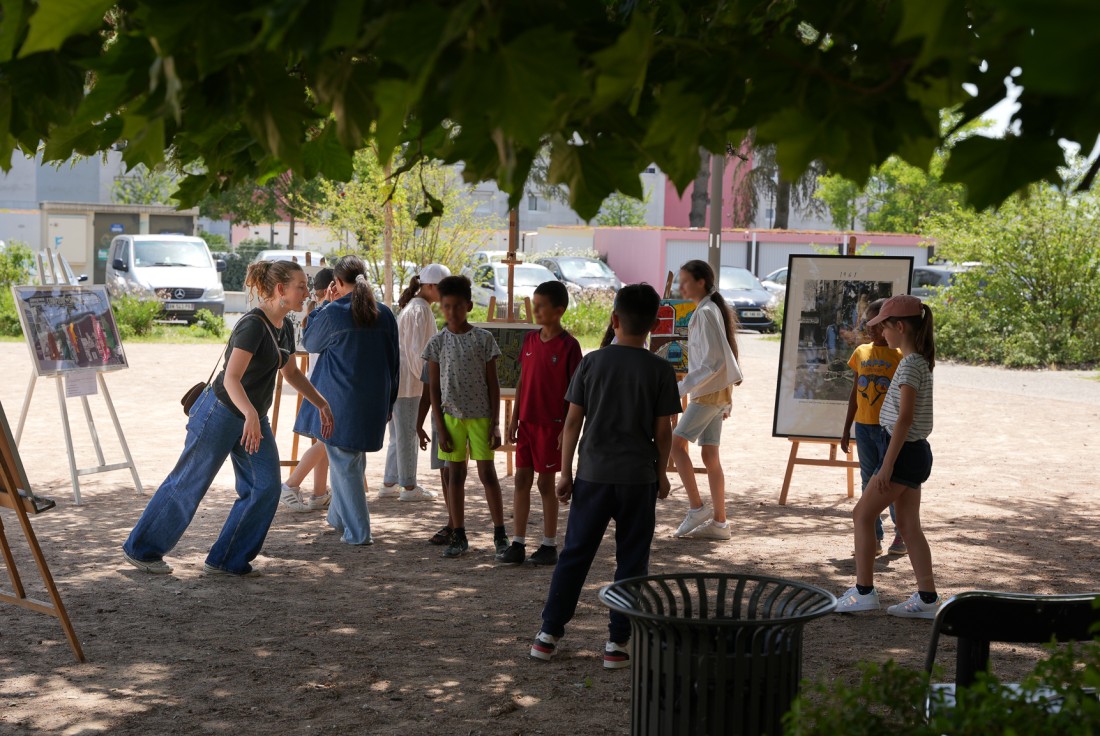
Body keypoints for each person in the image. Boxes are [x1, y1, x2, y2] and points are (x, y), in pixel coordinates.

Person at [122, 260, 334, 576]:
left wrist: (321, 402)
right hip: (220, 413)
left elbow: (289, 372)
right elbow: (232, 378)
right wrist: (250, 413)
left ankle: (227, 559)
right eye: (301, 286)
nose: (308, 292)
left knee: (265, 488)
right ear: (281, 290)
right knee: (189, 483)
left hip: (251, 419)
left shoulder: (285, 327)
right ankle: (141, 550)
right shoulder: (252, 325)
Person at [530, 284, 682, 669]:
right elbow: (664, 431)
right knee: (632, 561)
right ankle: (617, 643)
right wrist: (661, 474)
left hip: (594, 477)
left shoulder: (592, 363)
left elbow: (571, 424)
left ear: (614, 319)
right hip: (638, 480)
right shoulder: (660, 369)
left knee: (575, 555)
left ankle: (548, 634)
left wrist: (565, 472)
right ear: (652, 325)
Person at [836, 295, 939, 618]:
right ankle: (927, 596)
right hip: (916, 452)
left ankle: (864, 591)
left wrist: (887, 466)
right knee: (908, 525)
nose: (880, 335)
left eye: (883, 328)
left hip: (904, 451)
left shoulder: (909, 364)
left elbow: (904, 418)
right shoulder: (918, 360)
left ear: (899, 326)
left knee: (862, 516)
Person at [294, 255, 399, 546]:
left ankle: (358, 532)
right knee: (351, 460)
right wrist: (389, 402)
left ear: (337, 283)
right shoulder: (386, 313)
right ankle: (338, 518)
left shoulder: (333, 311)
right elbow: (394, 362)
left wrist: (323, 305)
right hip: (374, 399)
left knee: (345, 462)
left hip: (339, 399)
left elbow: (310, 342)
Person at [422, 275, 508, 558]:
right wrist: (440, 428)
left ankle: (500, 533)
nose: (452, 312)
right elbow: (434, 388)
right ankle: (458, 534)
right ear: (441, 308)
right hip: (451, 419)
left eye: (458, 306)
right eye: (446, 306)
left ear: (469, 306)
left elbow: (493, 385)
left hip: (482, 418)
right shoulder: (436, 343)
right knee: (454, 475)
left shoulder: (484, 339)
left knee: (487, 474)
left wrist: (496, 424)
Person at [498, 281, 583, 566]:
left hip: (553, 425)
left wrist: (566, 430)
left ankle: (549, 544)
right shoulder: (530, 340)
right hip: (528, 424)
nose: (535, 309)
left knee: (546, 484)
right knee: (522, 479)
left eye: (541, 305)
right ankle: (518, 542)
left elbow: (575, 392)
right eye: (534, 303)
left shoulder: (570, 346)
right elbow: (522, 380)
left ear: (558, 310)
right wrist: (514, 418)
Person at [670, 261, 744, 541]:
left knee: (677, 445)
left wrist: (679, 388)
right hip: (716, 392)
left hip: (709, 392)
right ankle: (720, 523)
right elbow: (722, 358)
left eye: (685, 281)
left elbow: (712, 362)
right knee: (710, 455)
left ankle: (696, 507)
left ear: (701, 282)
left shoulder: (706, 312)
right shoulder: (710, 309)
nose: (681, 287)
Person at [378, 263, 450, 502]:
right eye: (443, 288)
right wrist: (429, 382)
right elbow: (418, 352)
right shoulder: (420, 310)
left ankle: (390, 482)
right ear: (429, 286)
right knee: (408, 433)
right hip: (410, 383)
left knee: (399, 434)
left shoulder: (416, 307)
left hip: (401, 381)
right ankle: (408, 487)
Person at [840, 298, 905, 556]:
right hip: (864, 428)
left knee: (887, 481)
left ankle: (902, 533)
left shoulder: (901, 356)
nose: (871, 329)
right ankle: (874, 538)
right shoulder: (861, 353)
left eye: (877, 323)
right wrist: (847, 429)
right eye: (868, 323)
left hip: (888, 430)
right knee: (868, 480)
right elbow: (855, 392)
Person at [281, 267, 335, 512]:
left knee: (324, 441)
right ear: (328, 290)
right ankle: (292, 484)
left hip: (319, 385)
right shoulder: (323, 314)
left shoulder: (320, 313)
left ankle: (319, 492)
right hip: (322, 386)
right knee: (328, 441)